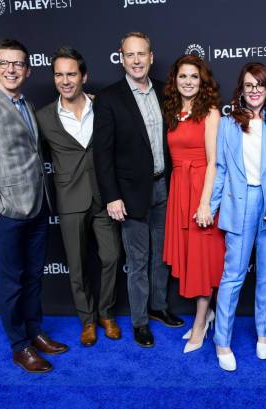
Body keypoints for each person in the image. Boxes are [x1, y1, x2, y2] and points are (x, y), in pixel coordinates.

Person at [0, 38, 68, 373]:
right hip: (7, 212)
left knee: (34, 277)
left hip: (37, 207)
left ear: (27, 69)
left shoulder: (26, 104)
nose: (11, 69)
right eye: (4, 63)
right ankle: (20, 345)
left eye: (18, 63)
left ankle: (35, 331)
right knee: (12, 282)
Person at [92, 32, 184, 348]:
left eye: (141, 54)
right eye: (129, 55)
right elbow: (102, 155)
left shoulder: (164, 92)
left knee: (162, 255)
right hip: (130, 195)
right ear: (121, 57)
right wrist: (112, 197)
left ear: (151, 56)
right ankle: (140, 321)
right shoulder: (109, 98)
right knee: (138, 260)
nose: (136, 61)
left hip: (165, 187)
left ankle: (158, 307)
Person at [37, 47, 121, 347]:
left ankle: (106, 313)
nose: (65, 80)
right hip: (70, 198)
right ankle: (87, 320)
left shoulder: (103, 106)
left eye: (71, 73)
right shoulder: (43, 117)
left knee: (111, 257)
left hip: (104, 195)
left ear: (83, 76)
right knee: (77, 265)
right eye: (59, 74)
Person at [210, 62, 266, 371]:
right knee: (233, 276)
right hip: (238, 204)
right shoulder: (229, 123)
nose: (254, 90)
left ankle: (263, 335)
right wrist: (212, 205)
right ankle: (222, 341)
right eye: (248, 85)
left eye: (260, 85)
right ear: (241, 91)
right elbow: (220, 169)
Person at [162, 55, 225, 353]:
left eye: (194, 77)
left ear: (203, 82)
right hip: (179, 190)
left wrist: (205, 204)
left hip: (201, 189)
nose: (188, 82)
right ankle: (207, 313)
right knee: (191, 258)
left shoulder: (210, 112)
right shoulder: (173, 111)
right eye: (183, 76)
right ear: (175, 80)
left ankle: (201, 323)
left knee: (202, 261)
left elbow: (214, 161)